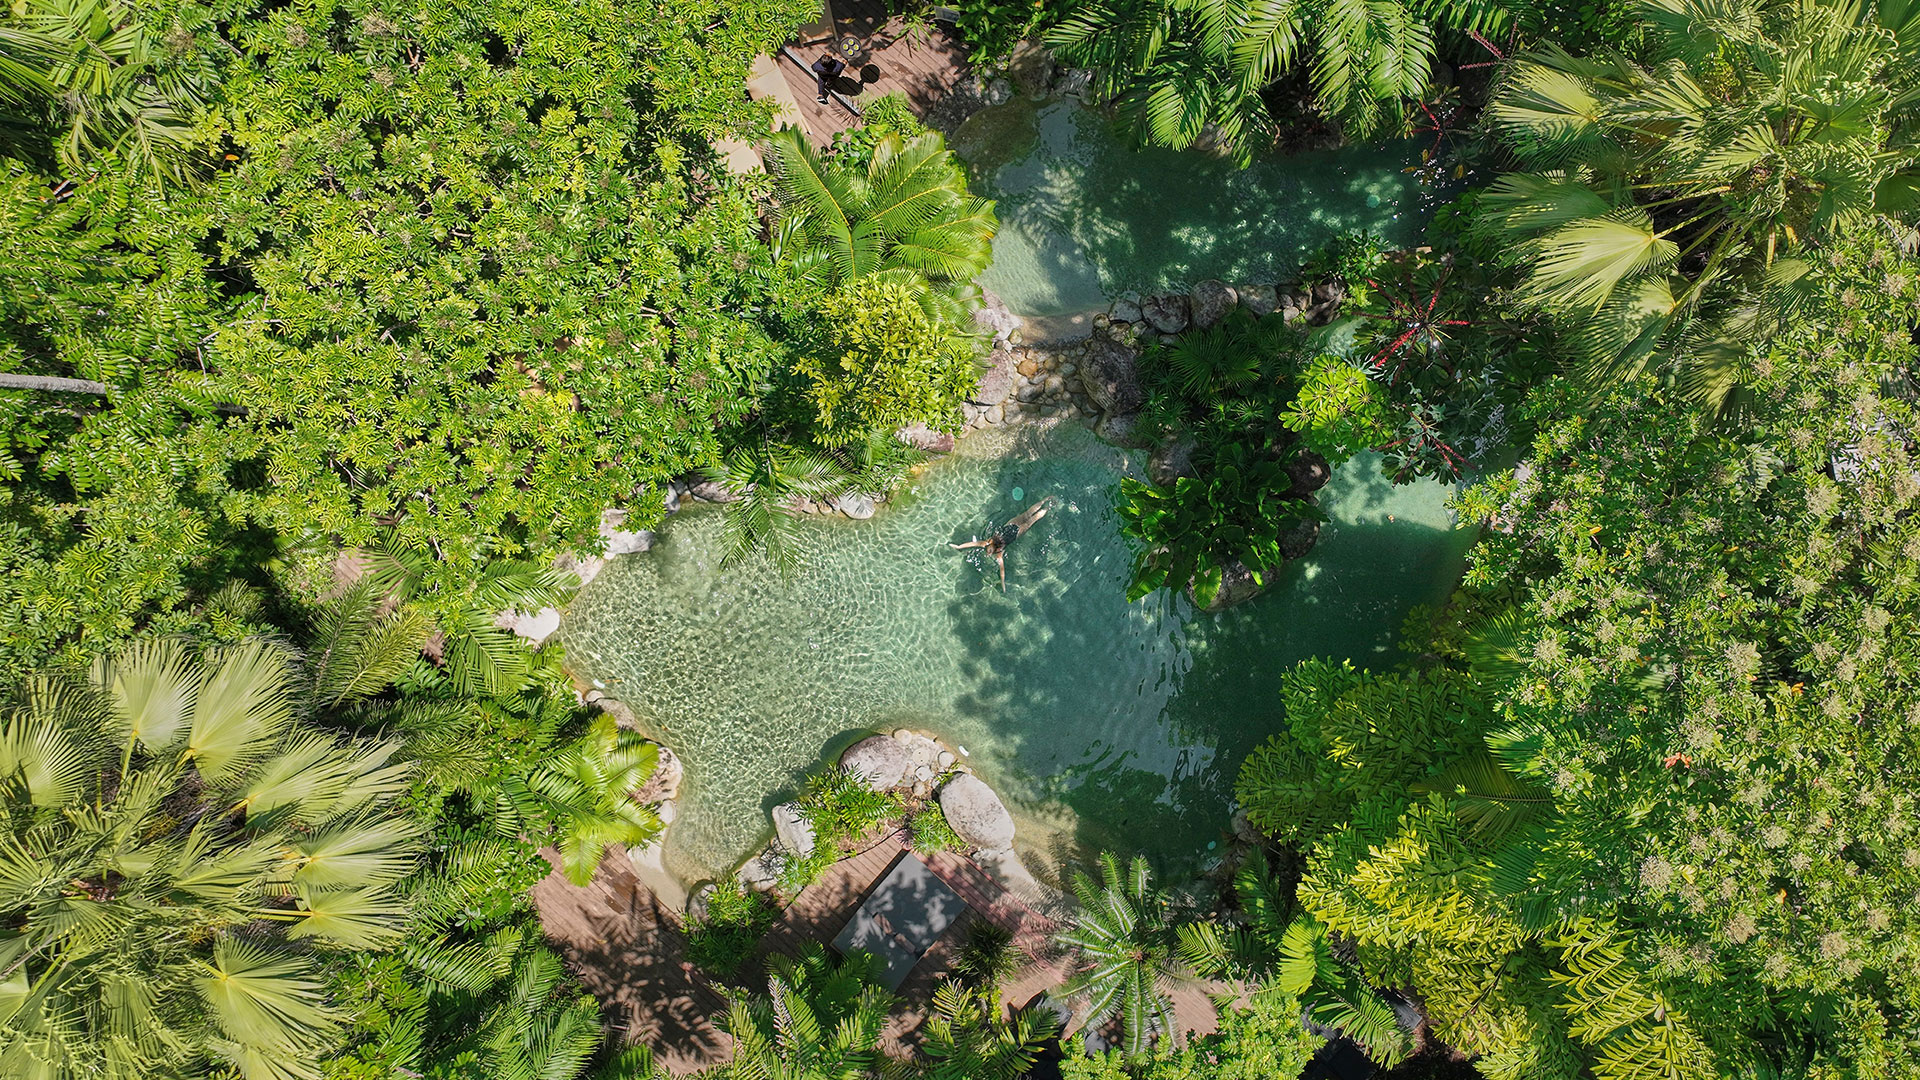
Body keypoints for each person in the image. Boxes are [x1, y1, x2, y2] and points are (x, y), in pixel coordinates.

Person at [951, 496, 1055, 591]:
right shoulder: (988, 541)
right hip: (1011, 525)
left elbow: (1002, 572)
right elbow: (971, 544)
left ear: (992, 548)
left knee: (1031, 521)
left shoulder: (998, 553)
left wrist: (1003, 583)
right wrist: (958, 546)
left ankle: (1047, 508)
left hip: (1016, 534)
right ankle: (1045, 500)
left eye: (989, 553)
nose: (988, 554)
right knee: (1027, 514)